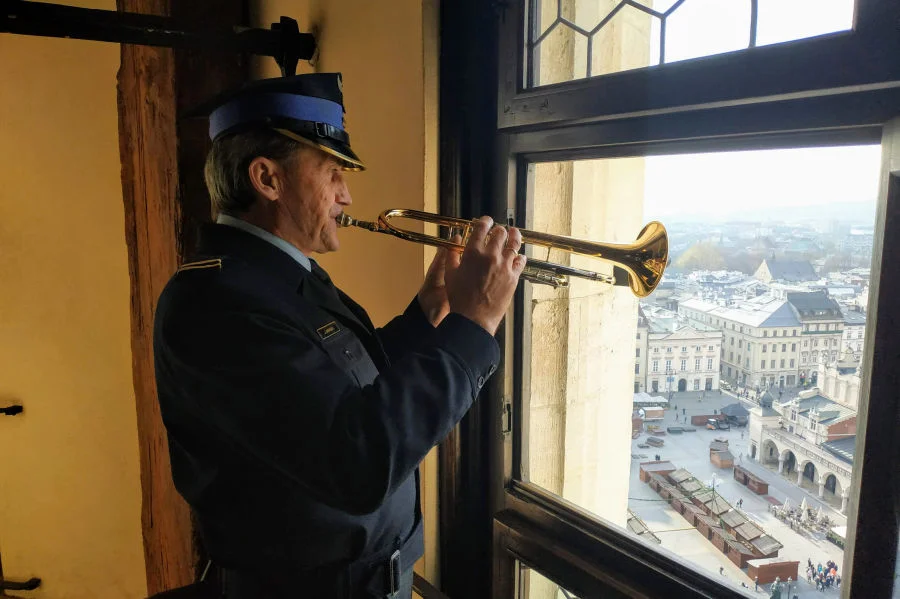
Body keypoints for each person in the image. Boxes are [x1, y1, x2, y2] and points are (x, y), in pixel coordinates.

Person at [153, 73, 526, 599]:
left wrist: (430, 313)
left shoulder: (273, 277)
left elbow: (347, 387)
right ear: (267, 179)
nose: (346, 197)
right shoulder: (215, 303)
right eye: (332, 174)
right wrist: (474, 326)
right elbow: (357, 461)